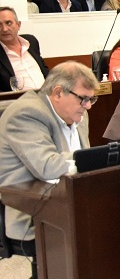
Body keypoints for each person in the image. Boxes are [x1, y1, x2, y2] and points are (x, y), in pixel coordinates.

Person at [0, 61, 97, 242]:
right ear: (58, 92)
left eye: (91, 99)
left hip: (71, 200)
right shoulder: (25, 113)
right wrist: (96, 159)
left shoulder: (79, 114)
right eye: (83, 98)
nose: (88, 105)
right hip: (32, 212)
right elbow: (47, 166)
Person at [0, 6, 49, 91]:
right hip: (18, 101)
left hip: (47, 96)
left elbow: (44, 70)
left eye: (8, 23)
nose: (4, 29)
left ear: (18, 25)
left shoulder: (31, 42)